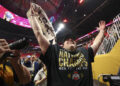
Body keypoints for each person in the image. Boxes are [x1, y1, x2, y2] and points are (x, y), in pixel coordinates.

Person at [28, 4, 106, 86]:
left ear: (76, 44)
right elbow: (38, 34)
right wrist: (32, 16)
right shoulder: (55, 52)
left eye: (72, 39)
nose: (70, 39)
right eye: (66, 40)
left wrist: (101, 30)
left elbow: (97, 43)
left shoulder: (85, 52)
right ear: (62, 46)